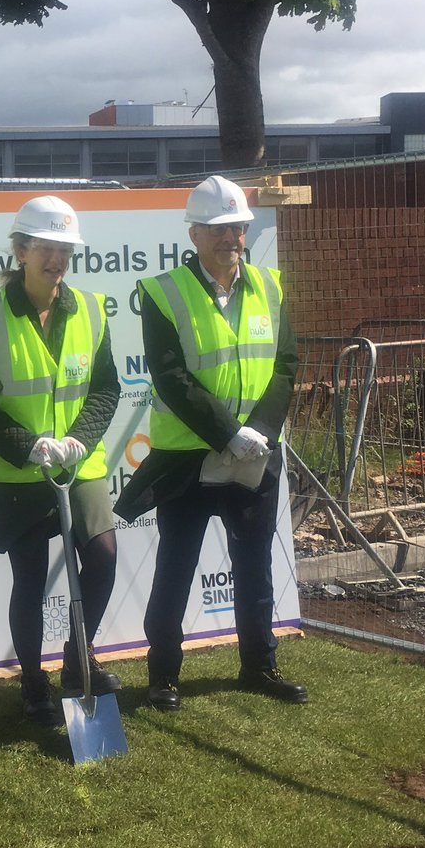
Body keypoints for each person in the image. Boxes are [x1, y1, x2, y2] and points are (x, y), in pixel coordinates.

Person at [115, 175, 306, 712]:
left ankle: (259, 666)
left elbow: (287, 364)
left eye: (238, 227)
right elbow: (171, 377)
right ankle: (162, 677)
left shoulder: (270, 285)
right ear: (194, 233)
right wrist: (227, 433)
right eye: (219, 229)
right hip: (190, 456)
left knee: (254, 564)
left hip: (257, 456)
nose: (231, 238)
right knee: (176, 564)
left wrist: (260, 433)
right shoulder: (162, 292)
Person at [0, 196, 121, 726]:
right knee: (29, 577)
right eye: (46, 248)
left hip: (78, 464)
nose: (56, 259)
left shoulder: (92, 310)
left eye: (65, 249)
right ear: (22, 250)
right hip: (18, 471)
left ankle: (78, 657)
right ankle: (33, 679)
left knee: (101, 556)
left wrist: (79, 438)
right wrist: (27, 444)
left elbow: (105, 388)